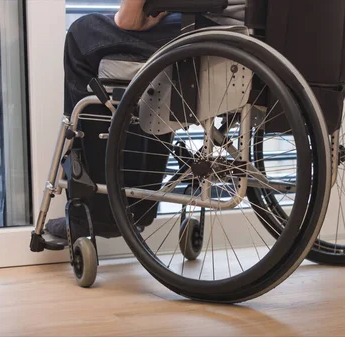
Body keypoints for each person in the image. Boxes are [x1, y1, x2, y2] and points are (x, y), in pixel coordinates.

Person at [47, 0, 246, 239]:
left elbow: (128, 21)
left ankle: (97, 214)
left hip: (206, 31)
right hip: (250, 34)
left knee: (81, 34)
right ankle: (139, 207)